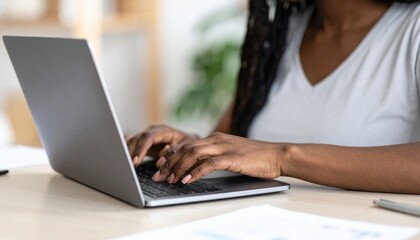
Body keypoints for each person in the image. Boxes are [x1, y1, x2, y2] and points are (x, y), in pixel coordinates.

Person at [126, 0, 420, 194]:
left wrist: (283, 157)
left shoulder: (411, 28)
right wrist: (188, 147)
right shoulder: (281, 31)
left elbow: (269, 154)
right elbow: (233, 141)